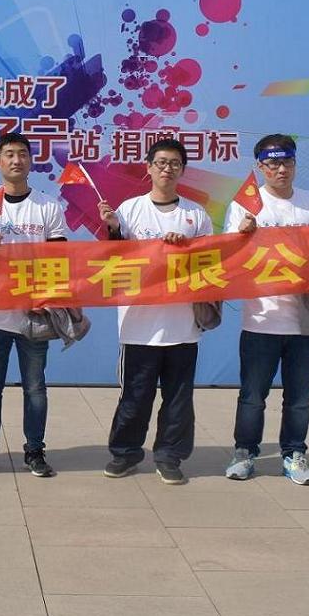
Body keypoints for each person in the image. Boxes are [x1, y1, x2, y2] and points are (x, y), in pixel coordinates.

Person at [99, 138, 213, 486]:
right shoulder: (129, 210)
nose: (167, 169)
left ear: (183, 170)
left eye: (175, 163)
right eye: (161, 162)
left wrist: (187, 248)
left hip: (182, 325)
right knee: (135, 396)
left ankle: (169, 456)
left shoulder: (196, 214)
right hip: (138, 325)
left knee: (178, 398)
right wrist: (113, 228)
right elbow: (114, 261)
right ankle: (125, 453)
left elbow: (211, 262)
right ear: (148, 168)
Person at [222, 134, 309, 486]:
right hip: (261, 320)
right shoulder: (246, 205)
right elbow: (228, 260)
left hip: (304, 321)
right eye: (272, 163)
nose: (280, 170)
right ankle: (244, 452)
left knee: (299, 398)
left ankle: (294, 454)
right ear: (260, 167)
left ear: (295, 164)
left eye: (287, 162)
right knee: (252, 397)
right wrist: (241, 236)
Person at [0, 132, 68, 478]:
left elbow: (61, 255)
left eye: (22, 153)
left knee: (35, 386)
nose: (16, 160)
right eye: (9, 154)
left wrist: (47, 297)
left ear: (31, 160)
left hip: (35, 312)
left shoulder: (47, 206)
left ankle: (34, 450)